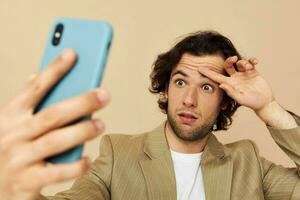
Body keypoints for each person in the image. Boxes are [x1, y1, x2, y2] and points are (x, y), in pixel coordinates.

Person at [0, 31, 299, 200]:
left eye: (207, 87)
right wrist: (15, 190)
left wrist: (267, 107)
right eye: (180, 82)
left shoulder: (247, 162)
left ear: (225, 100)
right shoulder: (118, 154)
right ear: (166, 88)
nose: (189, 100)